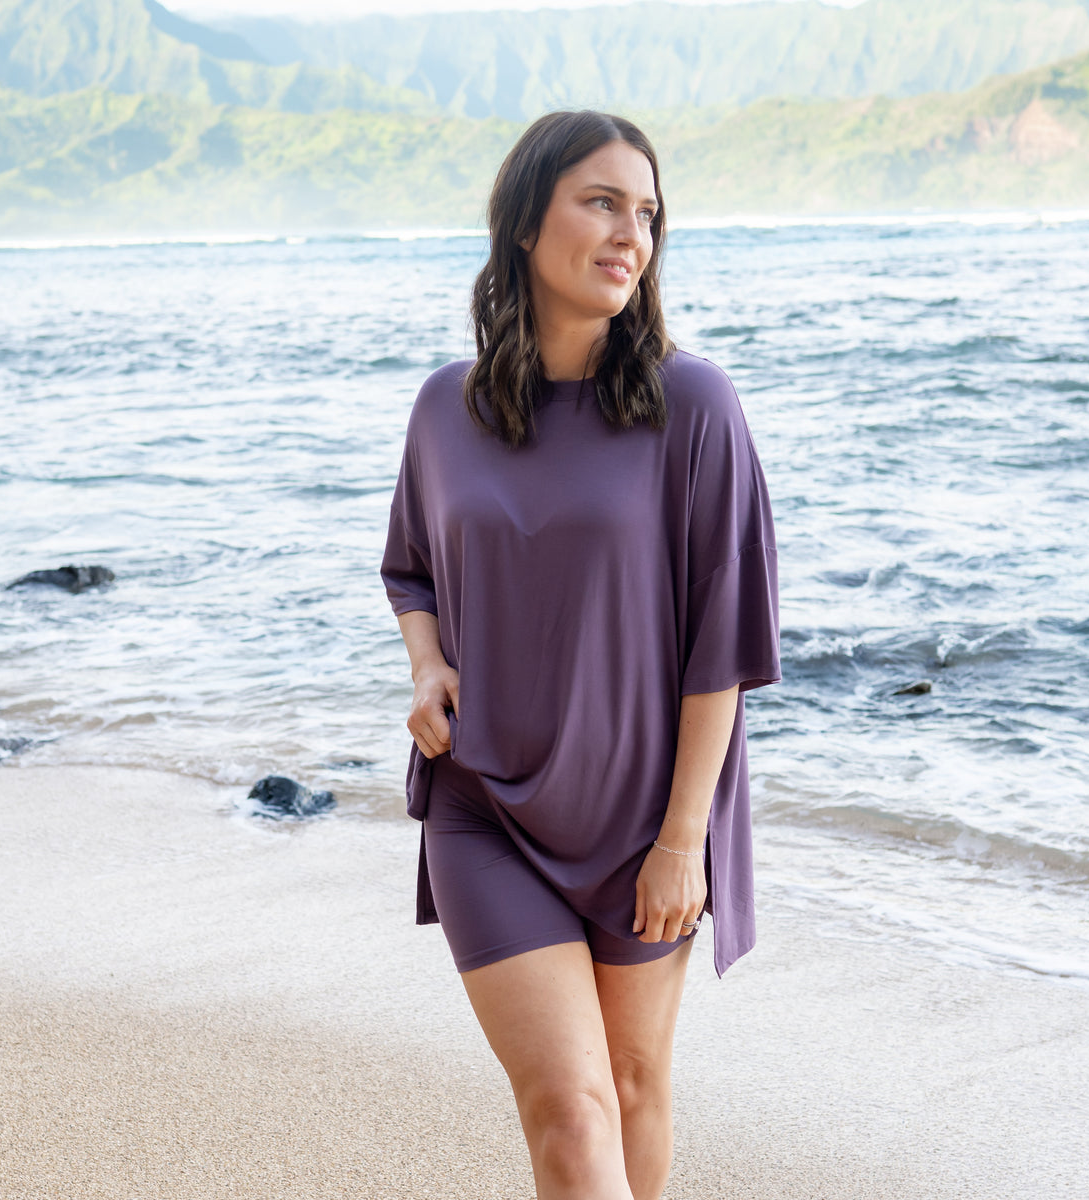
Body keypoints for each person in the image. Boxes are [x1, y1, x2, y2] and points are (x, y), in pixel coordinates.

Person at [381, 110, 780, 1200]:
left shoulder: (692, 405)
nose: (629, 235)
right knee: (568, 1105)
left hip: (648, 814)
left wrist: (682, 839)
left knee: (635, 1084)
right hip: (486, 806)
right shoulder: (443, 409)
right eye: (601, 201)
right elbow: (410, 569)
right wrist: (428, 667)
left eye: (646, 212)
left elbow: (726, 640)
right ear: (525, 223)